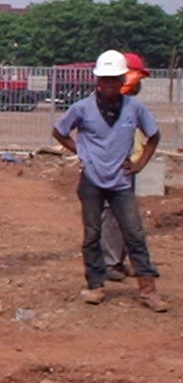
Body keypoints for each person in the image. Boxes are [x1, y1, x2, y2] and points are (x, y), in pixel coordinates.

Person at [52, 48, 167, 312]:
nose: (109, 85)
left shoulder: (135, 108)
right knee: (92, 235)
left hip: (121, 183)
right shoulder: (82, 108)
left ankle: (148, 290)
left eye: (115, 79)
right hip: (92, 181)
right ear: (97, 82)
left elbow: (153, 137)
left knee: (135, 234)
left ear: (122, 81)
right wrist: (81, 152)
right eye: (104, 80)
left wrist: (138, 165)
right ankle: (95, 285)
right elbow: (59, 131)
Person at [99, 52, 149, 279]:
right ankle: (109, 263)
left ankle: (117, 261)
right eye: (137, 76)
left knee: (123, 216)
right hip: (113, 166)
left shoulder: (130, 106)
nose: (139, 82)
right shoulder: (106, 105)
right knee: (111, 214)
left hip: (128, 165)